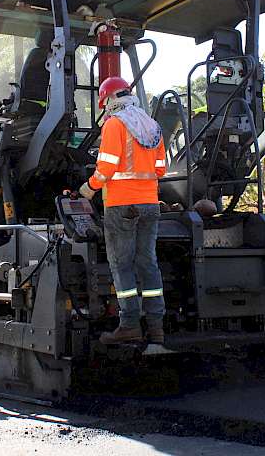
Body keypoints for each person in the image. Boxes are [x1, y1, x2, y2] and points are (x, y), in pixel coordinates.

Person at [79, 76, 168, 345]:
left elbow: (106, 168)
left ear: (110, 99)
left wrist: (89, 188)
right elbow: (160, 169)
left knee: (121, 265)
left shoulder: (114, 124)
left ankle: (129, 324)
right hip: (150, 205)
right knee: (148, 263)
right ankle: (156, 327)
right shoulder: (152, 125)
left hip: (122, 206)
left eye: (104, 102)